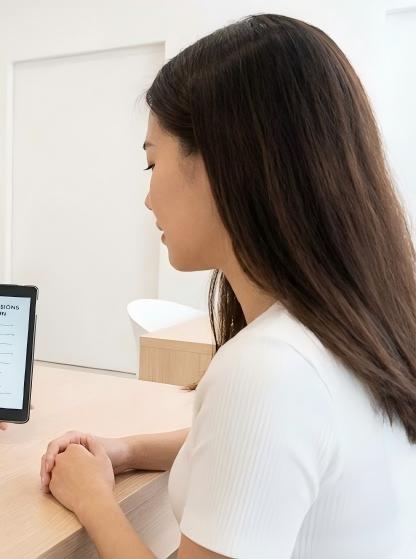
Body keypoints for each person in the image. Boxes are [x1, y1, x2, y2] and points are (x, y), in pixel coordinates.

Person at [40, 14, 416, 559]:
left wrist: (91, 498)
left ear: (224, 162)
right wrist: (127, 450)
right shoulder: (357, 327)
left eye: (152, 163)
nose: (148, 198)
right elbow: (254, 449)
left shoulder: (269, 369)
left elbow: (259, 420)